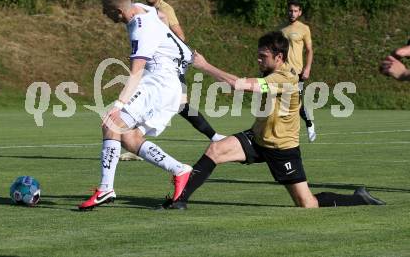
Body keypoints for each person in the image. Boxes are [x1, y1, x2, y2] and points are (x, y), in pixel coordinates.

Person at [162, 31, 385, 210]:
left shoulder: (284, 78)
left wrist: (205, 65)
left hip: (282, 148)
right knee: (215, 150)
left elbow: (240, 85)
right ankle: (179, 201)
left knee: (307, 204)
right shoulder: (272, 74)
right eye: (258, 55)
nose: (259, 60)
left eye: (263, 56)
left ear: (279, 58)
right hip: (257, 139)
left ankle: (359, 199)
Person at [78, 0, 193, 210]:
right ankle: (179, 170)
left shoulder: (138, 28)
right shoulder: (141, 8)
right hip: (167, 82)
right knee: (130, 139)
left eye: (105, 10)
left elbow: (136, 72)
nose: (104, 13)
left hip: (158, 82)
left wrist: (118, 105)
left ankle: (105, 189)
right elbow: (159, 14)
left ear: (118, 12)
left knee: (112, 123)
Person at [144, 0, 225, 142]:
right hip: (153, 64)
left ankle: (214, 136)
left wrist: (164, 45)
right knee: (151, 100)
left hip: (168, 65)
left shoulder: (164, 10)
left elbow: (180, 36)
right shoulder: (144, 9)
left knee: (179, 105)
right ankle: (136, 142)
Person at [280, 0, 316, 142]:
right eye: (290, 10)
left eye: (295, 11)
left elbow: (309, 50)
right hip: (282, 72)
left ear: (300, 12)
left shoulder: (304, 28)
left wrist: (307, 68)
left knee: (297, 103)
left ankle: (309, 123)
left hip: (298, 73)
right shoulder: (280, 29)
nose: (292, 13)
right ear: (287, 11)